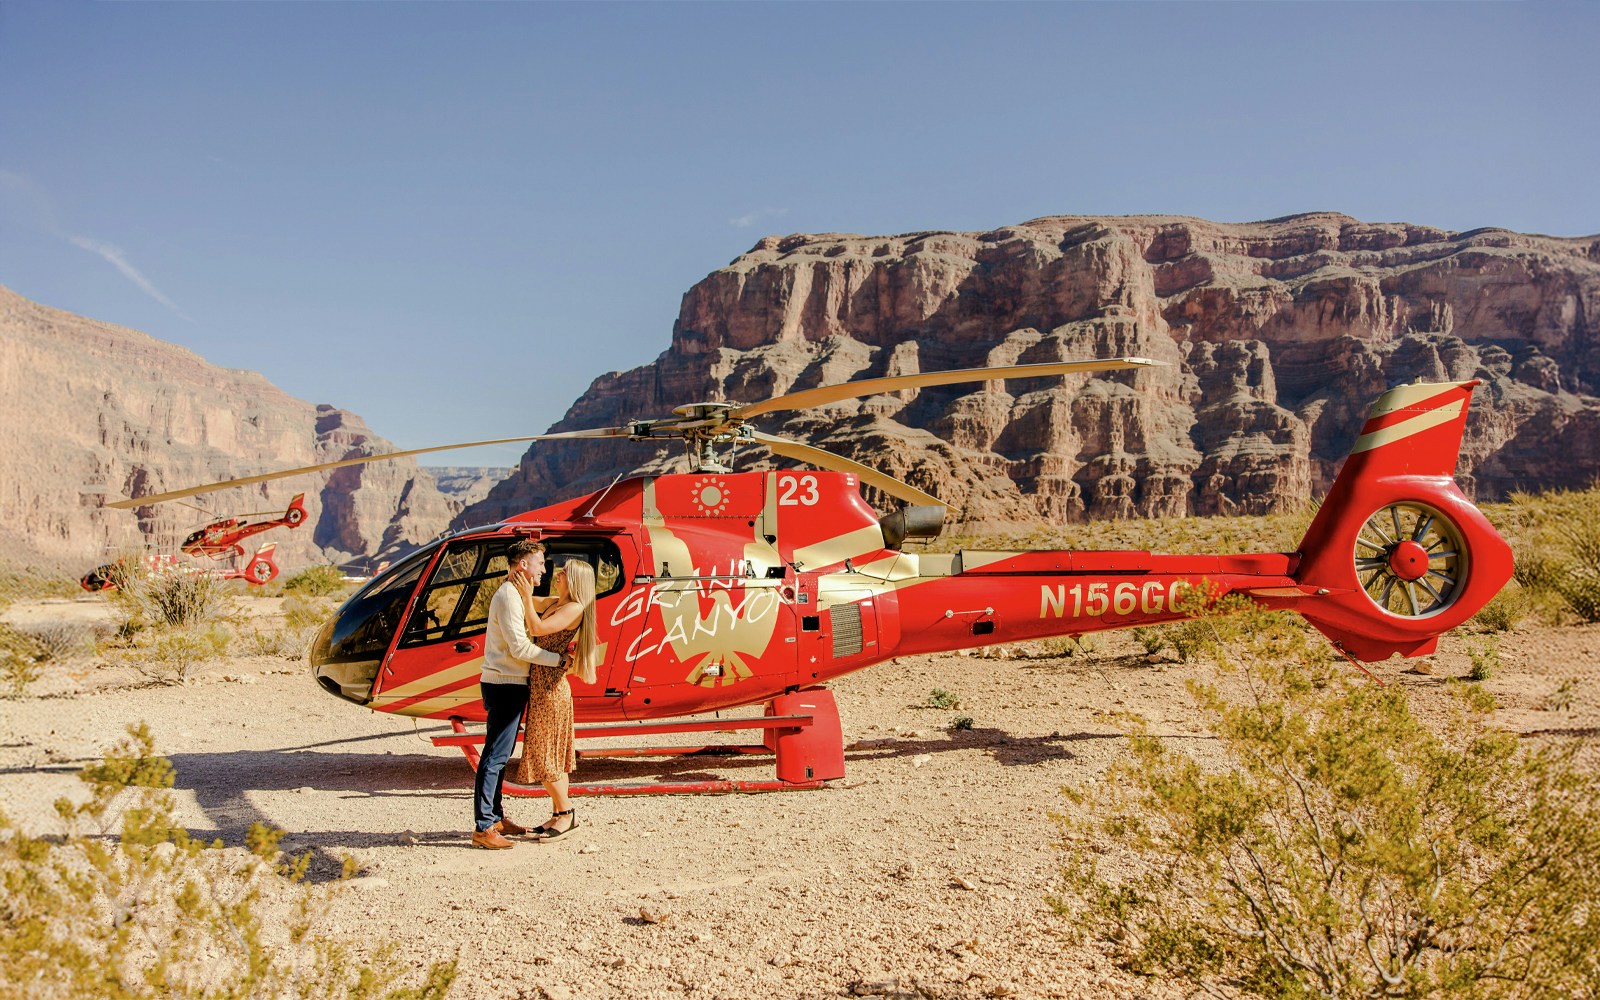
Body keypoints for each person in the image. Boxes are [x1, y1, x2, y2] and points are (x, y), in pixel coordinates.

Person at [470, 539, 567, 850]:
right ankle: (484, 827)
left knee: (500, 754)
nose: (543, 569)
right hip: (505, 683)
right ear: (523, 564)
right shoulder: (509, 596)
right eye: (539, 563)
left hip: (509, 682)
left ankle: (496, 818)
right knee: (495, 756)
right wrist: (559, 660)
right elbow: (520, 647)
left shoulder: (514, 594)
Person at [511, 558, 598, 842]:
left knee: (545, 753)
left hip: (551, 688)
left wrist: (524, 596)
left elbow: (535, 629)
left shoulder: (574, 608)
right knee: (553, 755)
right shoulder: (557, 601)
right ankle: (559, 814)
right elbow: (531, 601)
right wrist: (519, 581)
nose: (557, 574)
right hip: (542, 684)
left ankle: (568, 813)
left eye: (564, 572)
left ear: (574, 580)